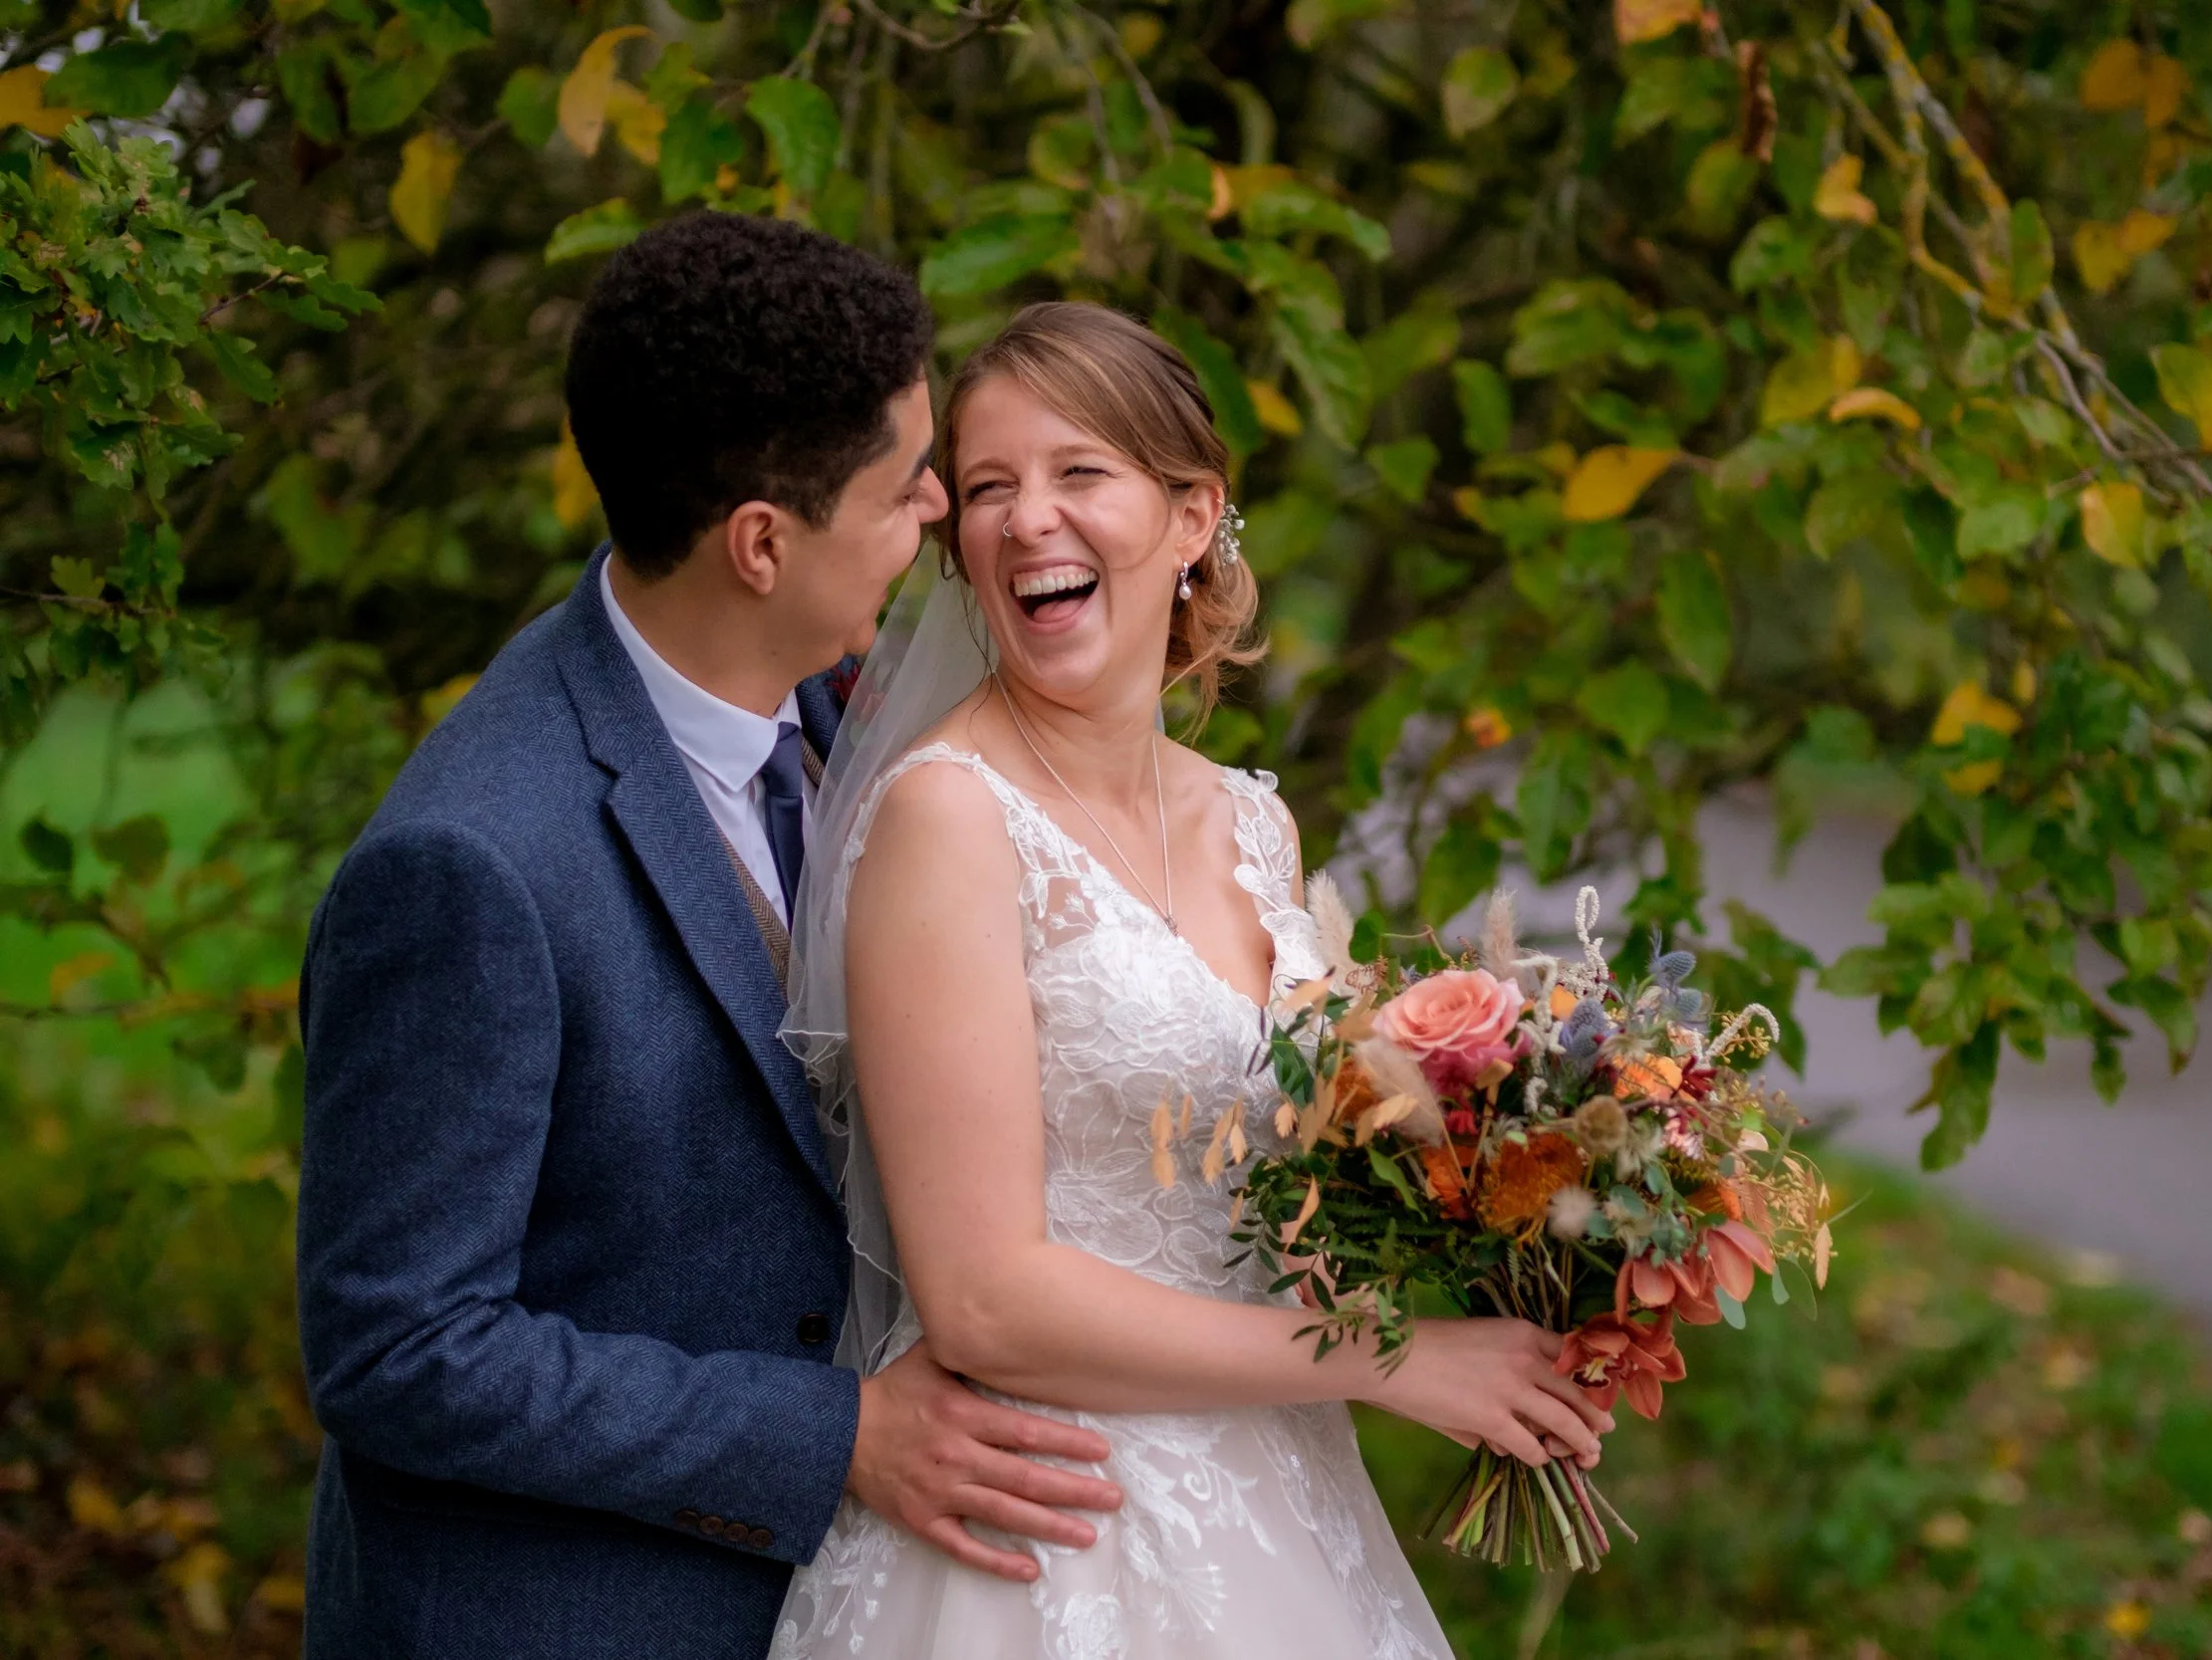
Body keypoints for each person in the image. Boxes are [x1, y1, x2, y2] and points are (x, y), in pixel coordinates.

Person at [292, 215, 1122, 1660]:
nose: (938, 506)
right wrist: (830, 1432)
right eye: (899, 483)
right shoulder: (471, 863)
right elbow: (397, 1347)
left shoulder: (848, 721)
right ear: (760, 544)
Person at [770, 302, 1612, 1658]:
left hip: (1280, 1502)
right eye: (986, 489)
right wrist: (1403, 1364)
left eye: (1078, 472)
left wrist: (1544, 1232)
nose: (1025, 518)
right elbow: (984, 1298)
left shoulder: (1253, 823)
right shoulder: (951, 819)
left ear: (1190, 515)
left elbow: (1303, 1193)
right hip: (1049, 1529)